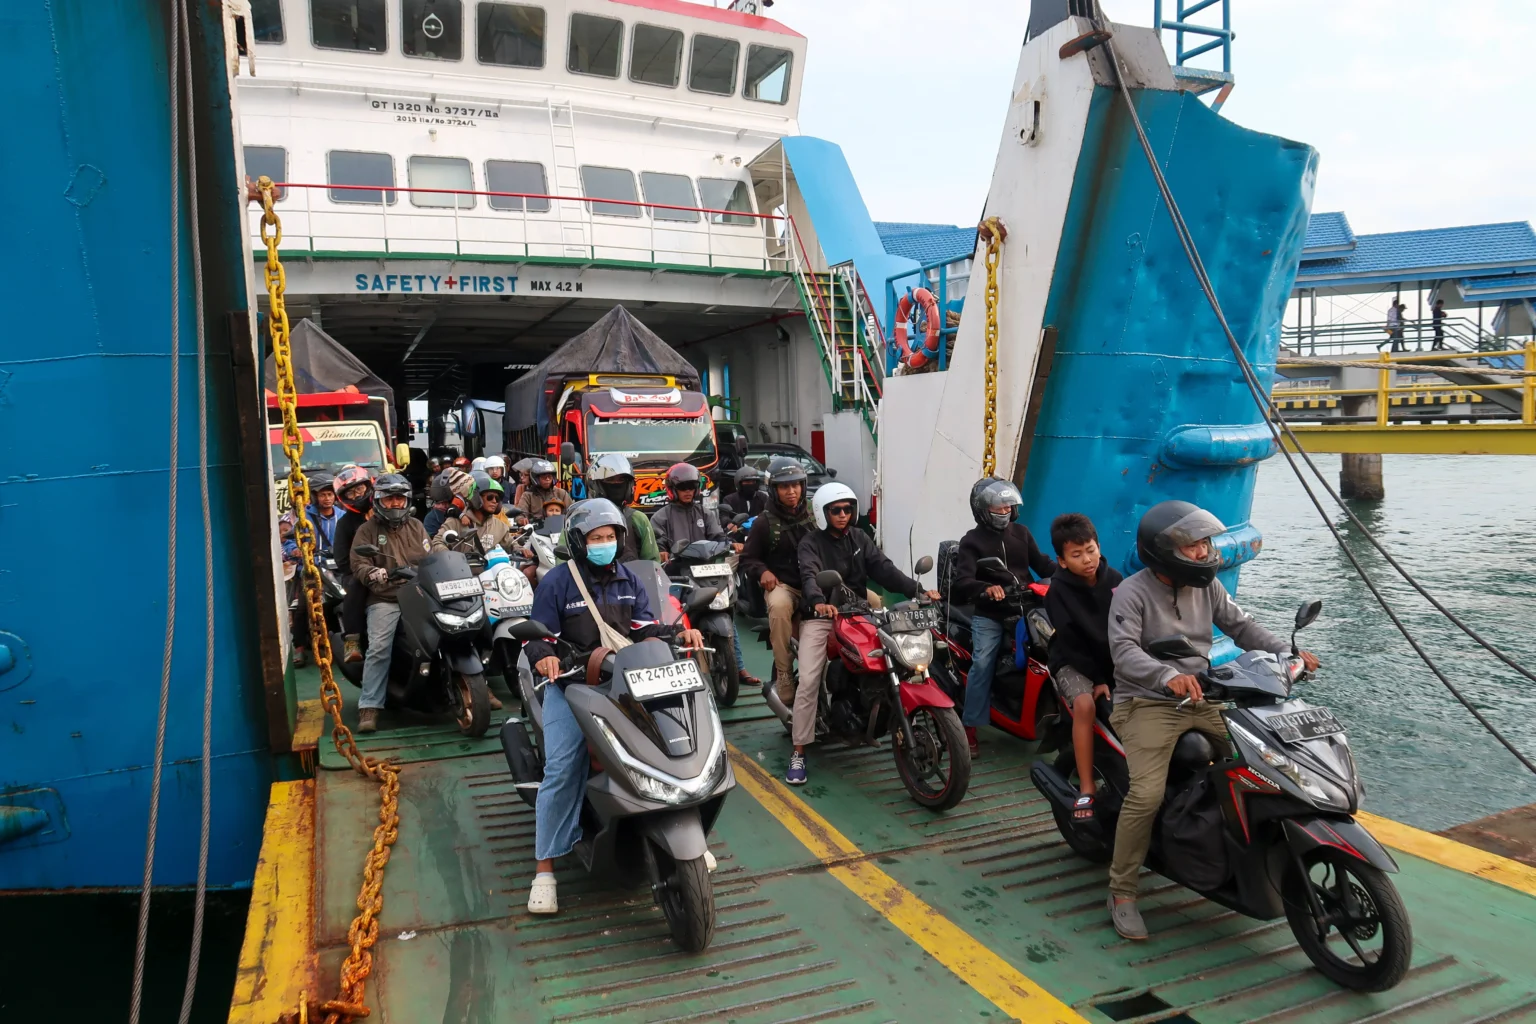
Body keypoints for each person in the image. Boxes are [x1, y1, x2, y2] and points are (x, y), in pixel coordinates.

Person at [1105, 501, 1320, 940]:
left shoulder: (1207, 587)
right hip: (1146, 702)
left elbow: (1242, 628)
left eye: (1205, 544)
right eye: (1194, 546)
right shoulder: (1131, 592)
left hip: (1204, 696)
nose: (1205, 553)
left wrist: (1287, 653)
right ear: (1165, 551)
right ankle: (1122, 890)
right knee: (1145, 796)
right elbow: (1125, 652)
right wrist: (1168, 676)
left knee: (1265, 764)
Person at [522, 499, 704, 914]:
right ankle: (545, 870)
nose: (604, 544)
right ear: (579, 542)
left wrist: (678, 634)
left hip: (625, 681)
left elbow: (643, 628)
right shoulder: (558, 583)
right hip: (571, 684)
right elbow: (538, 637)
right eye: (596, 538)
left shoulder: (629, 579)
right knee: (564, 766)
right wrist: (545, 658)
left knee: (670, 740)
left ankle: (684, 836)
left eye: (610, 537)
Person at [787, 483, 939, 785]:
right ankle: (799, 751)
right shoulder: (810, 543)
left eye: (847, 509)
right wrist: (818, 601)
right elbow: (809, 573)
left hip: (857, 612)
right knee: (808, 681)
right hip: (822, 616)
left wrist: (918, 590)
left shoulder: (859, 538)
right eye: (836, 510)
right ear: (822, 513)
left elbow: (884, 569)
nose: (843, 515)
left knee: (894, 655)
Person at [949, 478, 1058, 755]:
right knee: (983, 661)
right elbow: (962, 582)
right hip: (991, 614)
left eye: (1008, 505)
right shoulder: (971, 541)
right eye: (998, 506)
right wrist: (987, 588)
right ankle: (969, 727)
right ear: (983, 510)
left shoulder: (1021, 533)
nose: (1004, 510)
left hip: (1029, 609)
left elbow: (1043, 564)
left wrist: (1070, 570)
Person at [1043, 513, 1123, 821]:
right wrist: (1100, 678)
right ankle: (1087, 785)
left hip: (1113, 657)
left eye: (1090, 550)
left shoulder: (1115, 581)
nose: (1086, 559)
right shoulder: (1058, 593)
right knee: (1086, 704)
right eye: (1076, 555)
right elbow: (1072, 642)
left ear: (1099, 547)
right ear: (1062, 561)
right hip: (1072, 661)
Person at [348, 474, 431, 734]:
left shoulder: (417, 526)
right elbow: (358, 563)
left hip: (420, 592)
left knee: (454, 628)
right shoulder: (367, 530)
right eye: (389, 498)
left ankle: (476, 685)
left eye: (399, 498)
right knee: (379, 647)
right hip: (386, 597)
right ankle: (370, 706)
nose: (395, 503)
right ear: (379, 500)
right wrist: (372, 573)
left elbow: (432, 556)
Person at [740, 456, 816, 706]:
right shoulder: (764, 522)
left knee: (869, 599)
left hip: (816, 582)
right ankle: (784, 673)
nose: (792, 491)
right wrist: (763, 571)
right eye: (784, 486)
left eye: (796, 485)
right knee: (780, 607)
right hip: (786, 586)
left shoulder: (816, 515)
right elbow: (748, 558)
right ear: (774, 490)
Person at [332, 465, 374, 664]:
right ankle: (352, 639)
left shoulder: (385, 512)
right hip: (358, 571)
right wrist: (362, 568)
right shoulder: (345, 523)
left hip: (392, 566)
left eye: (359, 489)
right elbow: (341, 559)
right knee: (356, 586)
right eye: (351, 491)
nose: (357, 494)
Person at [586, 453, 659, 562]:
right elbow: (565, 563)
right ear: (596, 484)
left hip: (632, 578)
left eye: (621, 480)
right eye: (610, 480)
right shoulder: (581, 518)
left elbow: (653, 563)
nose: (616, 484)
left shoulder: (638, 519)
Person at [651, 463, 728, 559]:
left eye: (692, 486)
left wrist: (730, 544)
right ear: (672, 489)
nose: (688, 491)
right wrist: (661, 552)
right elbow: (657, 543)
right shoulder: (661, 517)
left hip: (704, 565)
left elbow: (718, 537)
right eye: (682, 487)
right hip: (676, 568)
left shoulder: (705, 513)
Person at [305, 471, 339, 552]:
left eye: (330, 494)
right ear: (315, 497)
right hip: (312, 563)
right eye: (322, 495)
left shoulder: (343, 516)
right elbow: (290, 541)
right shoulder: (305, 518)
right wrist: (294, 550)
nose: (327, 499)